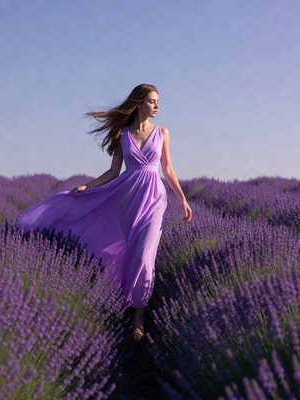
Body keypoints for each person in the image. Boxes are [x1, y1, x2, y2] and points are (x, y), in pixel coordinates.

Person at [17, 84, 192, 341]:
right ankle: (124, 303)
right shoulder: (122, 135)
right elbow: (113, 172)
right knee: (130, 252)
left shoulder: (163, 132)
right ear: (139, 103)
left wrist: (184, 200)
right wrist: (88, 186)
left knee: (145, 256)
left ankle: (139, 316)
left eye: (157, 102)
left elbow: (168, 170)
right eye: (153, 101)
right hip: (128, 198)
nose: (157, 106)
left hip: (155, 198)